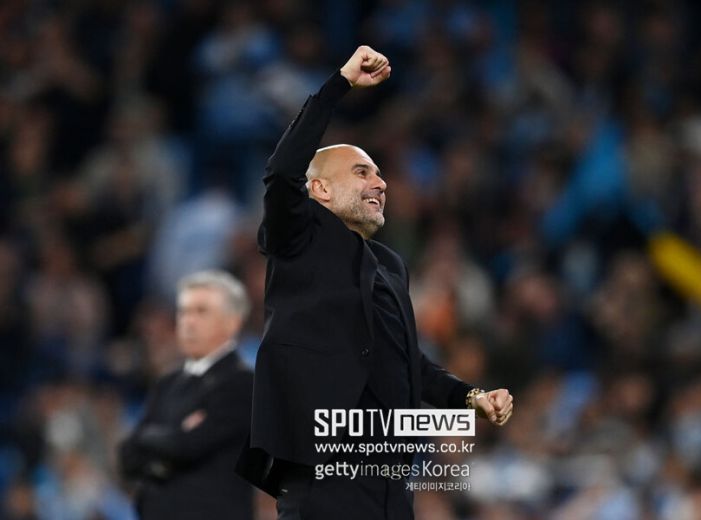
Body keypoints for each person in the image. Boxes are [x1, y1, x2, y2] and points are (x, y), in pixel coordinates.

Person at [235, 46, 514, 519]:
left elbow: (411, 364)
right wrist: (340, 83)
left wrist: (470, 398)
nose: (380, 183)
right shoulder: (298, 240)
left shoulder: (390, 264)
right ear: (320, 189)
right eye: (362, 172)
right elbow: (282, 173)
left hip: (389, 479)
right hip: (323, 471)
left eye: (380, 174)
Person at [119, 270, 254, 520]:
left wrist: (154, 440)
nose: (189, 322)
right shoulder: (167, 384)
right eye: (184, 312)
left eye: (202, 312)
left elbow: (188, 446)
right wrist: (172, 435)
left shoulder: (242, 384)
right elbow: (128, 456)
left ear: (231, 323)